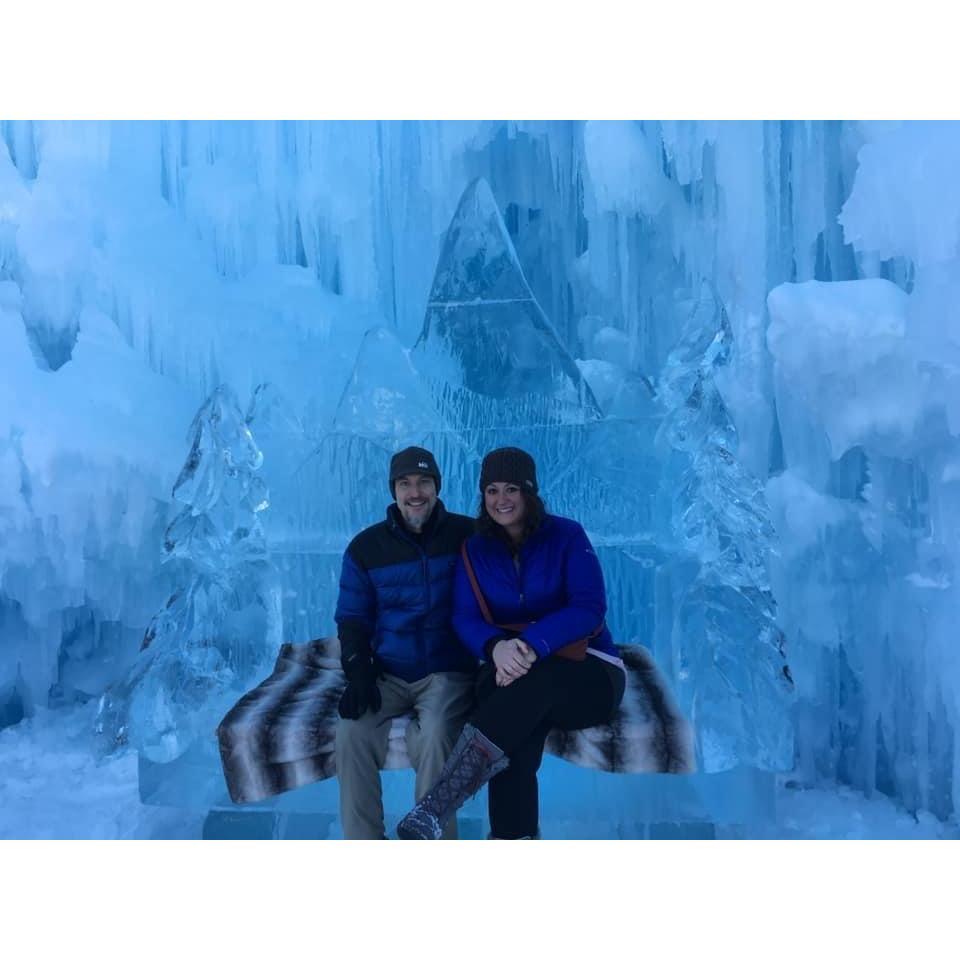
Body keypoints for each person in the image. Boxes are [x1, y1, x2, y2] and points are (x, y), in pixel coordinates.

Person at [397, 446, 626, 840]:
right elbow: (464, 616)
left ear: (529, 492)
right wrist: (494, 648)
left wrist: (533, 644)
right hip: (513, 673)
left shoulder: (567, 535)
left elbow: (589, 608)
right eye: (491, 491)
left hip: (588, 673)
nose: (501, 500)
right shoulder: (476, 548)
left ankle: (438, 805)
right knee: (514, 731)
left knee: (530, 687)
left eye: (511, 489)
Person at [334, 446, 476, 839]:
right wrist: (358, 668)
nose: (415, 492)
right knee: (350, 733)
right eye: (405, 483)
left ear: (437, 487)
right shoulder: (366, 549)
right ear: (393, 490)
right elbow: (352, 617)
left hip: (446, 670)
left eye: (424, 482)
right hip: (389, 671)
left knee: (434, 736)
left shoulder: (468, 536)